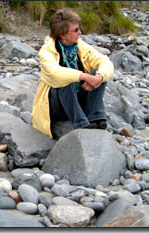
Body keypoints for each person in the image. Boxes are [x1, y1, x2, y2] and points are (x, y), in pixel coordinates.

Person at [32, 8, 114, 139]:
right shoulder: (46, 51)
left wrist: (98, 77)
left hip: (76, 99)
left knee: (99, 73)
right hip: (57, 106)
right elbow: (55, 73)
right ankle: (81, 124)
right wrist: (84, 76)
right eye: (76, 30)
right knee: (66, 79)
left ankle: (95, 118)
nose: (80, 32)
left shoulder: (80, 46)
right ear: (63, 34)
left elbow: (105, 62)